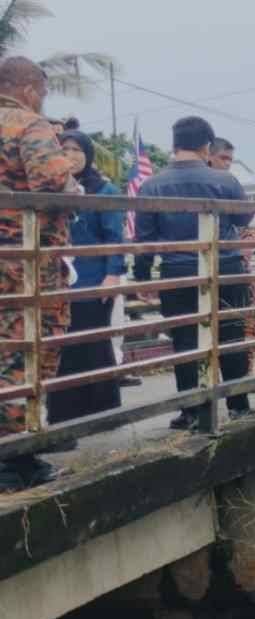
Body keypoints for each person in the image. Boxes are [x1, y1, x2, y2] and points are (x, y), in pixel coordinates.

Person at [134, 117, 255, 430]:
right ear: (206, 146)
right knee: (230, 334)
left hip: (177, 271)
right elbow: (244, 218)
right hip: (224, 266)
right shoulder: (225, 180)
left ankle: (191, 411)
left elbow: (145, 238)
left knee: (185, 341)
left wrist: (143, 277)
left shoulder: (151, 185)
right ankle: (239, 405)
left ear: (174, 145)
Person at [0, 57, 75, 491]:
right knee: (29, 347)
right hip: (25, 260)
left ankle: (20, 452)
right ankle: (15, 454)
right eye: (43, 93)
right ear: (30, 89)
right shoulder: (28, 123)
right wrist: (72, 190)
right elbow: (51, 181)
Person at [46, 130, 124, 426]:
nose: (72, 155)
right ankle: (66, 414)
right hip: (58, 281)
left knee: (95, 343)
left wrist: (113, 275)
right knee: (62, 348)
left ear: (88, 154)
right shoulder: (52, 190)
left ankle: (103, 412)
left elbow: (115, 238)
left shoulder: (105, 192)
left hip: (94, 280)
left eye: (78, 150)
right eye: (64, 149)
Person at [207, 138, 255, 393]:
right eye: (223, 159)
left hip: (238, 269)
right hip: (223, 265)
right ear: (208, 155)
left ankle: (245, 378)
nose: (227, 165)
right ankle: (230, 389)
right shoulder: (226, 186)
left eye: (229, 160)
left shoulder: (230, 189)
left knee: (244, 329)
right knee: (222, 332)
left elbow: (249, 230)